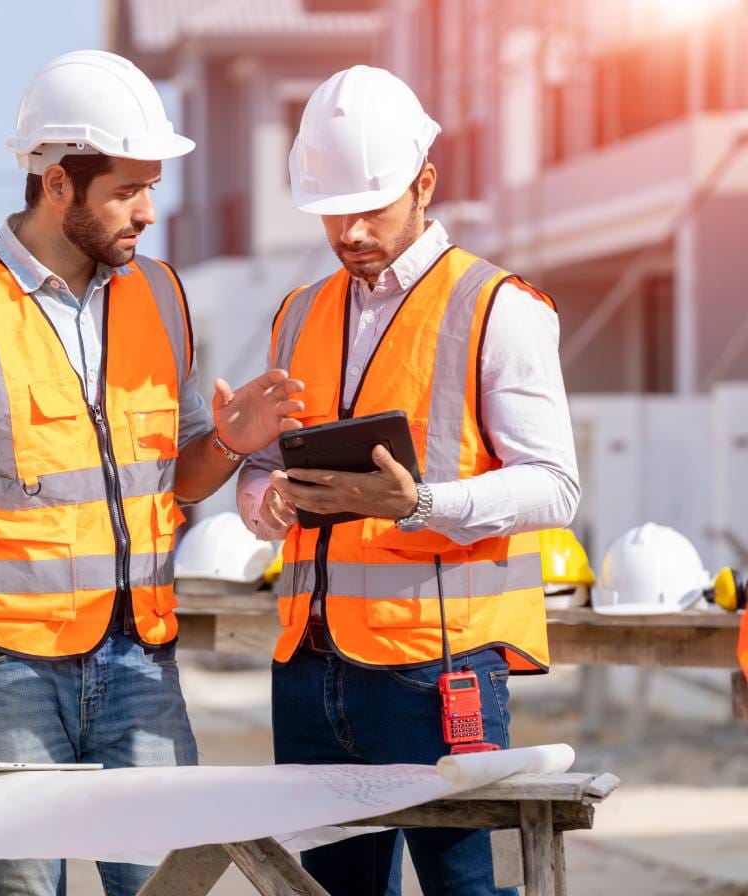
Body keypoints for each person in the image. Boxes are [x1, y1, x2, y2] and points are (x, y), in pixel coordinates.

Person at [0, 49, 302, 896]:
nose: (148, 210)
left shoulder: (164, 295)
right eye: (126, 190)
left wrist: (227, 439)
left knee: (167, 884)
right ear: (57, 184)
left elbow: (171, 482)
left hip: (142, 655)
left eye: (152, 186)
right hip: (4, 668)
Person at [237, 65, 580, 896]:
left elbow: (556, 487)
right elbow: (259, 467)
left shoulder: (497, 306)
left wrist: (419, 504)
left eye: (371, 207)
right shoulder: (298, 312)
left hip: (441, 676)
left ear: (426, 184)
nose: (349, 230)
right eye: (332, 212)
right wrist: (262, 497)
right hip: (310, 672)